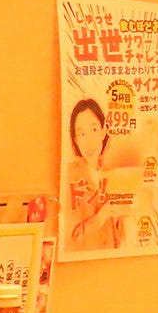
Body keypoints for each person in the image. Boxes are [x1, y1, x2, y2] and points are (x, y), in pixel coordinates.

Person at [64, 98, 121, 251]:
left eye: (94, 130)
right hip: (85, 262)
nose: (89, 140)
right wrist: (102, 216)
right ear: (75, 140)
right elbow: (73, 238)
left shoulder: (110, 173)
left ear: (103, 131)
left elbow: (117, 239)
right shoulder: (71, 175)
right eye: (82, 133)